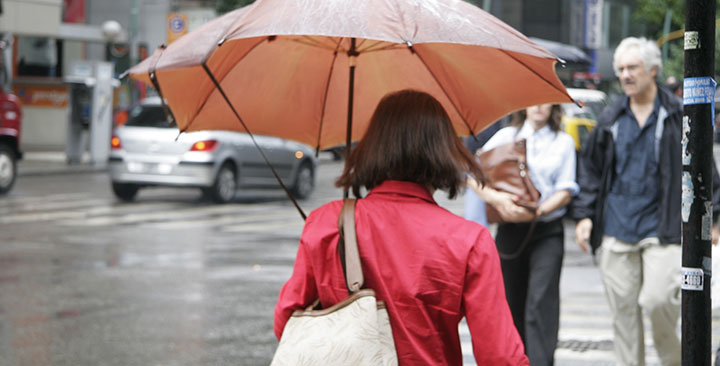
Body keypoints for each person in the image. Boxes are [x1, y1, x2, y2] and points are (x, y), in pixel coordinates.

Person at [274, 89, 529, 365]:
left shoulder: (327, 223)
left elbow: (287, 320)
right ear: (443, 150)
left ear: (374, 145)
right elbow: (500, 355)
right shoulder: (469, 240)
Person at [572, 37, 720, 366]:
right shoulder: (610, 119)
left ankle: (676, 362)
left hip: (663, 228)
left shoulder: (677, 114)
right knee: (623, 315)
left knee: (658, 302)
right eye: (621, 69)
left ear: (652, 70)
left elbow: (705, 170)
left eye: (632, 68)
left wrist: (714, 219)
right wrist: (584, 216)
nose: (625, 75)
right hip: (616, 228)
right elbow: (591, 171)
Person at [467, 103, 579, 366]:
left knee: (540, 303)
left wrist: (537, 211)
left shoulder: (562, 142)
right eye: (534, 103)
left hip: (546, 231)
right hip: (510, 230)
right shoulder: (507, 137)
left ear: (554, 107)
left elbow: (566, 190)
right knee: (509, 302)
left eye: (545, 103)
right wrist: (498, 199)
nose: (539, 108)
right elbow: (471, 174)